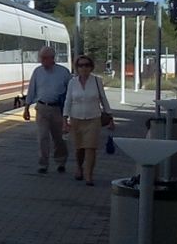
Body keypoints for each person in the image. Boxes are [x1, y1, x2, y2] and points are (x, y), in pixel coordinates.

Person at [62, 54, 112, 186]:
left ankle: (88, 175)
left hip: (93, 119)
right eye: (80, 65)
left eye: (86, 65)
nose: (84, 68)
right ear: (77, 68)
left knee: (91, 148)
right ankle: (79, 167)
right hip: (76, 119)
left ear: (91, 67)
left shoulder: (97, 81)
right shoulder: (72, 82)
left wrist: (110, 116)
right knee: (79, 148)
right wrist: (65, 119)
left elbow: (103, 98)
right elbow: (68, 101)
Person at [22, 45, 70, 174]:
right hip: (42, 108)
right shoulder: (37, 72)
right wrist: (26, 107)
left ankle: (61, 161)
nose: (41, 61)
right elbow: (32, 89)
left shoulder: (64, 72)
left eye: (44, 58)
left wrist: (68, 112)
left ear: (52, 58)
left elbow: (70, 92)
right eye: (41, 58)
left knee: (58, 138)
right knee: (42, 137)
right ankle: (43, 164)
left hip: (58, 109)